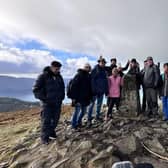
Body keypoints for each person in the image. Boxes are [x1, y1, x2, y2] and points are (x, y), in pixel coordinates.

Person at [33, 61, 65, 144]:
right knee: (46, 120)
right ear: (51, 67)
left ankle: (51, 132)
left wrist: (62, 97)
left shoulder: (59, 77)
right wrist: (44, 99)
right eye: (56, 68)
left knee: (55, 120)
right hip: (47, 104)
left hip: (57, 103)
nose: (57, 70)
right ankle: (44, 138)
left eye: (58, 69)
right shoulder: (43, 76)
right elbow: (36, 90)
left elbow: (62, 88)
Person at [69, 63, 92, 129]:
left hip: (85, 98)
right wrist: (73, 98)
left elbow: (89, 88)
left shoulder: (88, 76)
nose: (88, 68)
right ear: (84, 68)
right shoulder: (79, 75)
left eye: (89, 67)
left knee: (84, 111)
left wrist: (90, 97)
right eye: (86, 67)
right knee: (77, 111)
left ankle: (78, 122)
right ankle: (74, 125)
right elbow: (73, 87)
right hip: (78, 97)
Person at [88, 56, 108, 126]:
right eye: (101, 62)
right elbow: (92, 81)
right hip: (95, 92)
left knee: (99, 105)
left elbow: (105, 82)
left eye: (104, 63)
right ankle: (89, 118)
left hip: (101, 91)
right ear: (99, 62)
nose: (103, 64)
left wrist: (106, 91)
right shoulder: (94, 70)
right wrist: (93, 91)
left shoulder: (104, 71)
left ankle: (97, 116)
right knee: (91, 105)